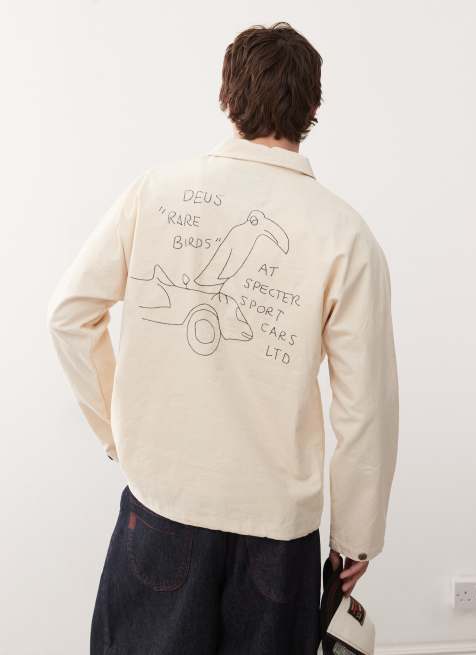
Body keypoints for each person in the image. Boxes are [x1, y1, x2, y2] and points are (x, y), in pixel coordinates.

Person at [47, 21, 399, 655]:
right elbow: (364, 407)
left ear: (225, 96)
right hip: (276, 530)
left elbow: (70, 316)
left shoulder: (155, 193)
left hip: (164, 503)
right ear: (313, 109)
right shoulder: (347, 235)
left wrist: (118, 435)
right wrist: (355, 535)